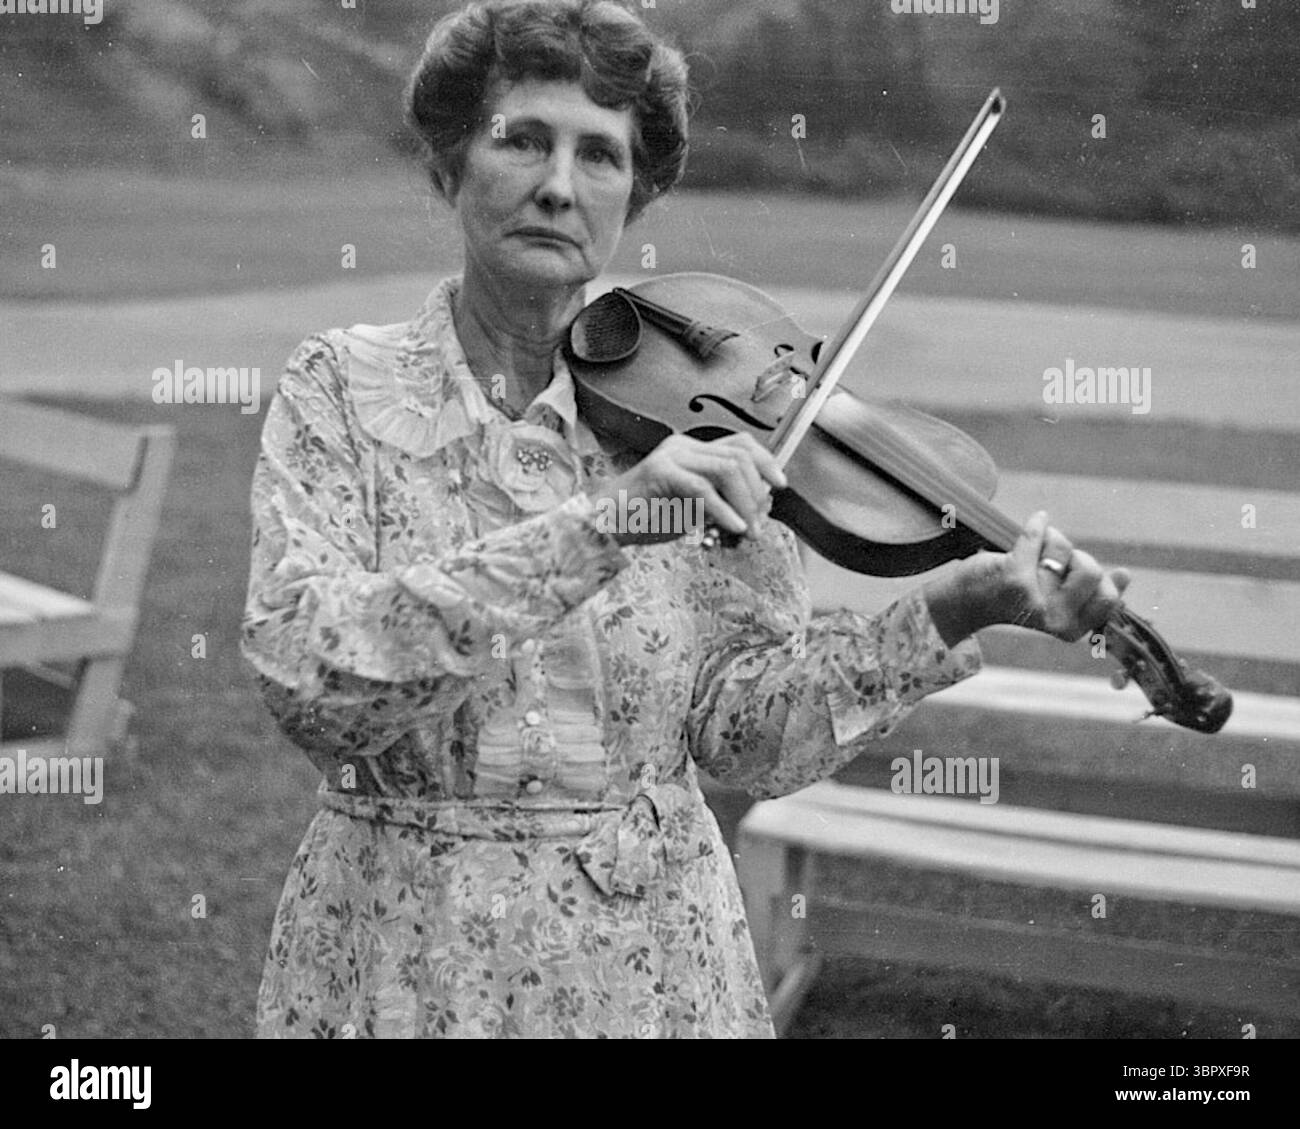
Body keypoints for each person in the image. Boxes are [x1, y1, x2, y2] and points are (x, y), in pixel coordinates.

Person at [241, 0, 1128, 1039]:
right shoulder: (341, 387)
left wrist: (951, 606)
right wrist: (603, 523)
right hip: (399, 953)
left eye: (600, 156)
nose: (559, 185)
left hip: (649, 964)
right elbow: (313, 679)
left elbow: (743, 737)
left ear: (637, 191)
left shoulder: (705, 408)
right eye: (521, 139)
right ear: (448, 167)